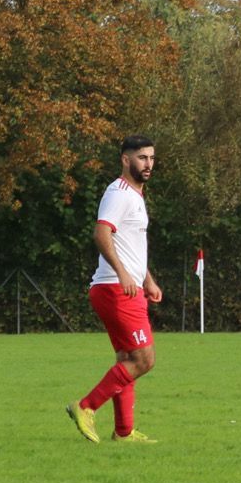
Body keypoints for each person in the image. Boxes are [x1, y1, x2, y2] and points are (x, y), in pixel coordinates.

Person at [68, 134, 161, 444]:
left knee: (127, 359)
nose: (148, 164)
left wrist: (146, 278)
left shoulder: (135, 195)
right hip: (116, 289)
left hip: (124, 287)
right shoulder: (119, 193)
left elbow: (130, 245)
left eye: (151, 158)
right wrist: (123, 274)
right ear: (125, 160)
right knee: (144, 360)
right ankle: (85, 406)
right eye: (141, 158)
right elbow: (101, 233)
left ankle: (124, 431)